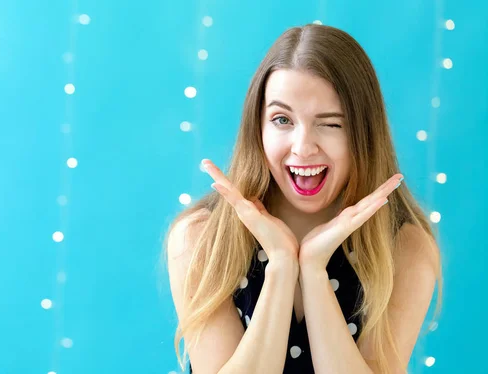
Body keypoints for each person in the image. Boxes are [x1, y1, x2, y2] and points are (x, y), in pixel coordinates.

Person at [164, 24, 442, 374]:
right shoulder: (201, 238)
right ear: (258, 127)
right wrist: (281, 266)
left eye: (330, 124)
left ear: (363, 135)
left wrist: (313, 271)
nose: (302, 147)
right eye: (282, 119)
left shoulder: (405, 248)